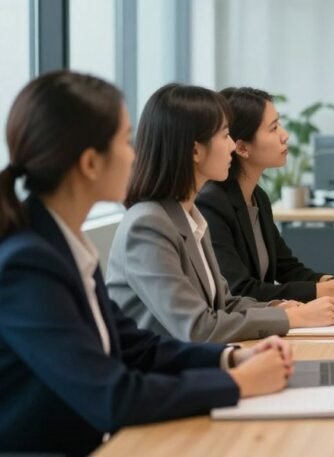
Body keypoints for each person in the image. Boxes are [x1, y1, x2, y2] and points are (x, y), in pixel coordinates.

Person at [0, 72, 293, 456]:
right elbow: (113, 396)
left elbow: (138, 348)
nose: (135, 154)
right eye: (125, 140)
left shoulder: (63, 245)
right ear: (90, 163)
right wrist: (239, 384)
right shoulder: (29, 266)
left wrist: (233, 357)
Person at [106, 84, 334, 343]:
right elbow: (198, 327)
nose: (232, 145)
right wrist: (293, 319)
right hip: (160, 376)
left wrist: (276, 309)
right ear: (195, 151)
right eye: (224, 135)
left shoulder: (189, 215)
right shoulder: (148, 225)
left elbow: (224, 303)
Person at [197, 87, 334, 302]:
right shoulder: (211, 203)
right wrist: (327, 291)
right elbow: (240, 290)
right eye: (273, 128)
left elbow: (287, 268)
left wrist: (330, 282)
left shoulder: (258, 196)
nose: (285, 135)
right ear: (241, 148)